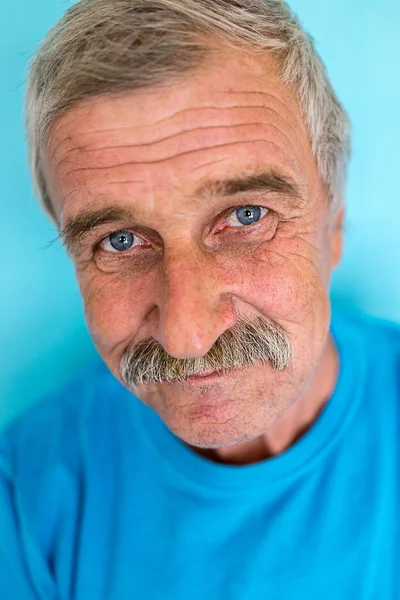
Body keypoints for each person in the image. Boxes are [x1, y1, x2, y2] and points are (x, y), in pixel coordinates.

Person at [1, 0, 399, 598]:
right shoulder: (22, 504)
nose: (188, 335)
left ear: (333, 224)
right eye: (121, 240)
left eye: (245, 216)